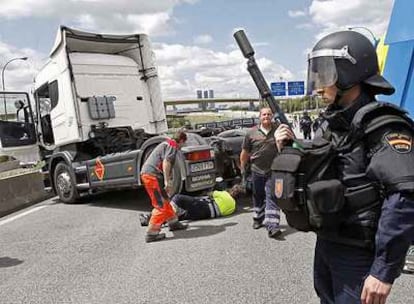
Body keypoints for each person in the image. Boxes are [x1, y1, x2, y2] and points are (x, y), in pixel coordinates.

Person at [274, 30, 414, 304]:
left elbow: (405, 196)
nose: (318, 85)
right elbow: (325, 172)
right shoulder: (333, 124)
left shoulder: (383, 126)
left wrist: (384, 271)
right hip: (328, 241)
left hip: (358, 251)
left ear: (349, 74)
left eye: (324, 75)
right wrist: (290, 151)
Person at [240, 107, 282, 238]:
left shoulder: (278, 129)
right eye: (264, 114)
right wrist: (242, 168)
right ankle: (258, 218)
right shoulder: (251, 133)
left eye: (269, 114)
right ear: (260, 117)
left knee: (272, 195)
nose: (266, 116)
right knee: (258, 195)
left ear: (272, 116)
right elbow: (245, 152)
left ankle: (272, 226)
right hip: (256, 170)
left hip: (274, 170)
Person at [140, 130, 189, 243]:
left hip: (150, 175)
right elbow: (166, 162)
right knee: (160, 205)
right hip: (152, 177)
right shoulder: (172, 145)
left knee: (165, 200)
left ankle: (173, 223)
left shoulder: (166, 143)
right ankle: (151, 234)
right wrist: (167, 181)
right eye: (184, 143)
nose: (183, 146)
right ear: (181, 140)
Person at [138, 184, 244, 226]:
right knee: (178, 216)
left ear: (232, 191)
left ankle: (150, 218)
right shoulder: (233, 207)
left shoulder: (225, 194)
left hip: (203, 207)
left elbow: (210, 194)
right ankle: (152, 221)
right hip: (203, 215)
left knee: (177, 198)